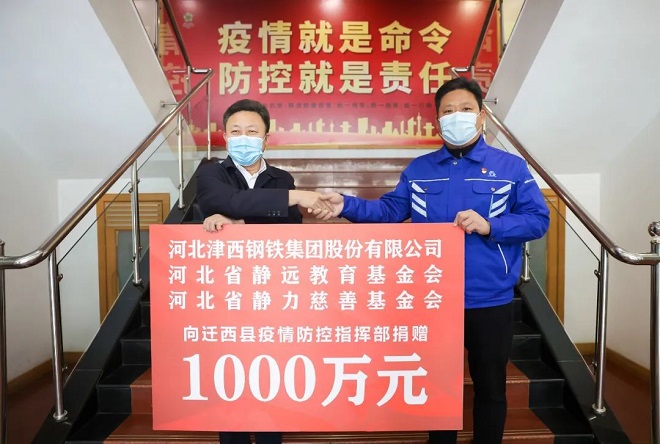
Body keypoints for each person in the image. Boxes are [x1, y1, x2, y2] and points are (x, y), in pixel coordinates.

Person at [313, 77, 550, 444]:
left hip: (490, 300)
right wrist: (346, 204)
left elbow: (538, 220)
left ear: (482, 116)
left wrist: (491, 225)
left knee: (490, 388)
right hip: (433, 299)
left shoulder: (511, 168)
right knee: (439, 390)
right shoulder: (420, 169)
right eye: (448, 111)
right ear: (438, 121)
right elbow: (390, 211)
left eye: (466, 109)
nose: (457, 117)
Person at [196, 98, 329, 444]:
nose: (244, 138)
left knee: (272, 374)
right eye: (236, 131)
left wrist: (240, 222)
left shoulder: (281, 178)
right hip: (226, 294)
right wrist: (290, 199)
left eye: (252, 131)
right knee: (230, 378)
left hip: (273, 292)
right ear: (225, 136)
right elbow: (221, 202)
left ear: (266, 139)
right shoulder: (211, 172)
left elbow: (289, 228)